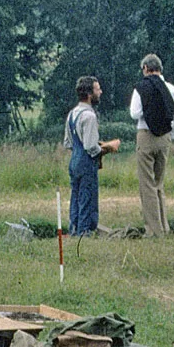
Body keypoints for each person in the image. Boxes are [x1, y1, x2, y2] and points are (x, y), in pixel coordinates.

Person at [130, 54, 174, 239]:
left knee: (147, 185)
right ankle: (164, 226)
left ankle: (153, 230)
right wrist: (170, 136)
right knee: (159, 184)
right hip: (165, 138)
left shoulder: (140, 88)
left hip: (146, 135)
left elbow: (134, 113)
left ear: (145, 68)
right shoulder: (171, 89)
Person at [63, 75, 120, 238]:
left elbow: (68, 143)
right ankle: (85, 232)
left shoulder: (72, 114)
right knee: (87, 197)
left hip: (74, 160)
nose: (100, 92)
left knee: (76, 197)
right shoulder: (89, 116)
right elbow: (91, 147)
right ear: (89, 94)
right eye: (97, 89)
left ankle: (73, 229)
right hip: (86, 162)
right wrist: (109, 147)